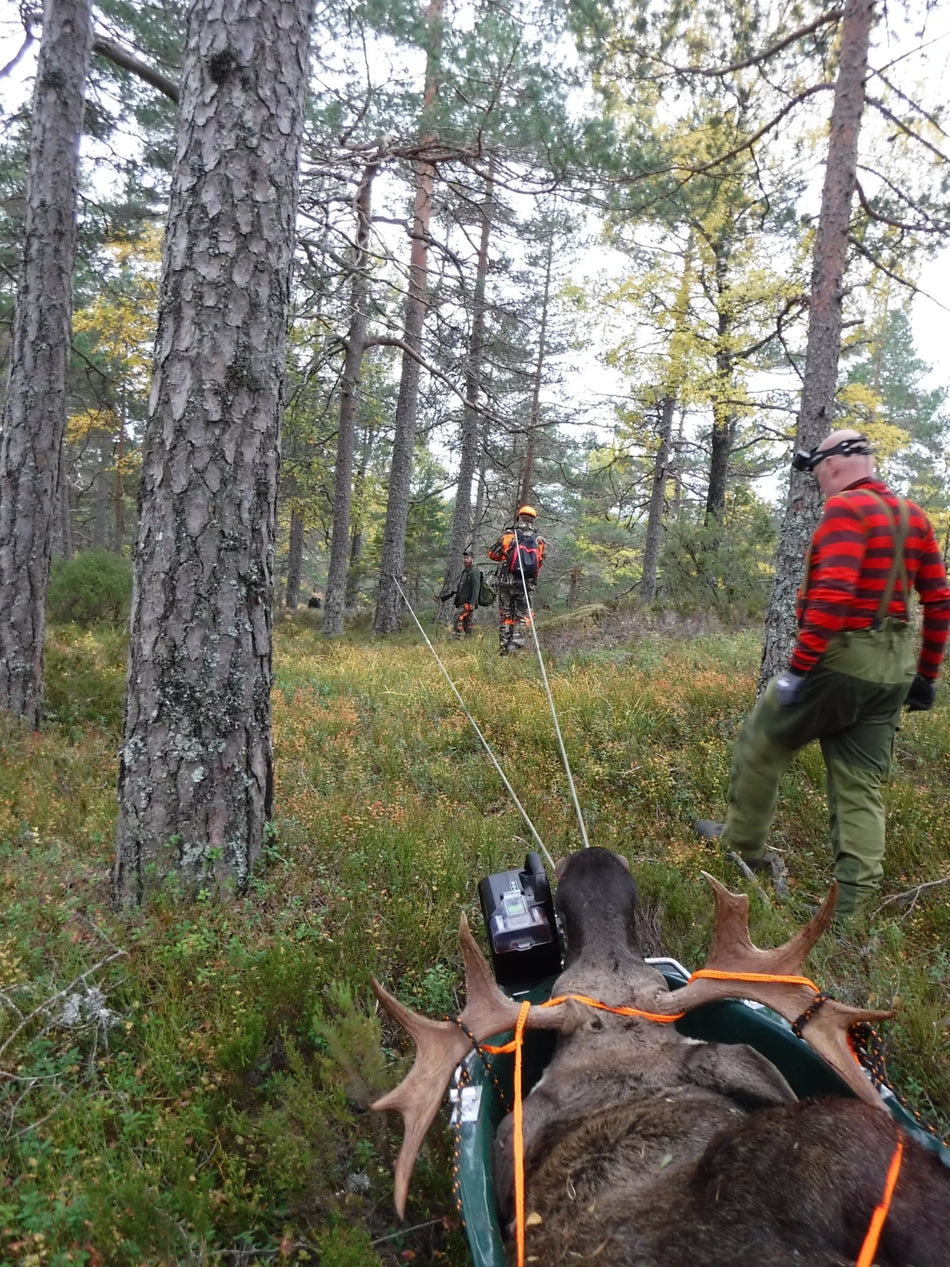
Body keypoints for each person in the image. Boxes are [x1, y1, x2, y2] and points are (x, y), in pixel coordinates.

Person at [695, 429, 950, 925]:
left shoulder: (845, 512)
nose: (818, 482)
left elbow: (833, 594)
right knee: (860, 785)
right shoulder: (912, 516)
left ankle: (742, 849)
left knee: (762, 739)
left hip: (840, 660)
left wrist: (797, 670)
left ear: (833, 465)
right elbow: (938, 600)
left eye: (816, 472)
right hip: (893, 669)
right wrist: (926, 675)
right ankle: (851, 913)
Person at [488, 505, 546, 656]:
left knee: (506, 615)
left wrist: (506, 556)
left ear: (519, 517)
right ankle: (519, 648)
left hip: (506, 582)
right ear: (533, 520)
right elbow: (539, 563)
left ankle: (504, 648)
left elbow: (492, 555)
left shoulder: (508, 535)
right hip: (527, 585)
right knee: (524, 616)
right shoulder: (539, 541)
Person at [437, 549, 483, 639]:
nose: (465, 560)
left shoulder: (474, 571)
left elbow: (476, 588)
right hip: (462, 600)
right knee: (467, 621)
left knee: (457, 616)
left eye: (467, 558)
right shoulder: (465, 571)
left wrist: (473, 603)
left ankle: (457, 636)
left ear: (472, 560)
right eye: (464, 558)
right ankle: (469, 639)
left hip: (468, 602)